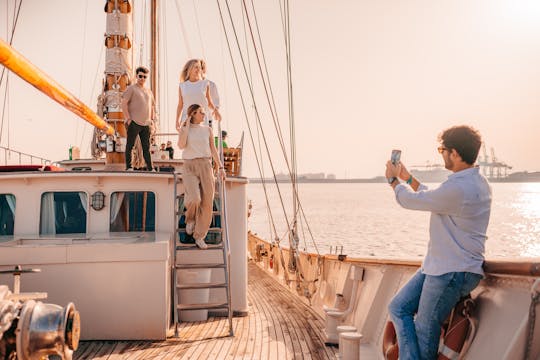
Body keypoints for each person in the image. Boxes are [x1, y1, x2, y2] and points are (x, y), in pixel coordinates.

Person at [385, 125, 491, 360]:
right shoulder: (474, 183)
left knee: (424, 332)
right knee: (398, 307)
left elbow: (411, 201)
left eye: (442, 149)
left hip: (451, 271)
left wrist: (393, 181)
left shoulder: (460, 188)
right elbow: (431, 197)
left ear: (454, 153)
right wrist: (408, 178)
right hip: (442, 266)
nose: (441, 153)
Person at [177, 104, 225, 249]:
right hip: (189, 165)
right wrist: (184, 128)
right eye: (201, 113)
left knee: (207, 203)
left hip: (206, 165)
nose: (204, 115)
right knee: (194, 198)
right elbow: (180, 145)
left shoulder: (207, 130)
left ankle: (200, 236)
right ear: (193, 114)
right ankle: (190, 219)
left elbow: (213, 150)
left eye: (204, 113)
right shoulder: (184, 128)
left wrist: (221, 166)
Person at [121, 66, 156, 171]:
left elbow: (152, 106)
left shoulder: (149, 91)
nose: (142, 78)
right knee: (130, 145)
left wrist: (152, 121)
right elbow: (123, 103)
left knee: (146, 147)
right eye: (140, 76)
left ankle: (150, 168)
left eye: (145, 77)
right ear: (136, 76)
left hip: (146, 124)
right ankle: (129, 167)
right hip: (134, 122)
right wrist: (128, 119)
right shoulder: (131, 89)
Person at [175, 59, 221, 131]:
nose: (198, 69)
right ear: (189, 69)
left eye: (199, 67)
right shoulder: (182, 86)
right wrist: (177, 121)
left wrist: (216, 111)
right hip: (186, 120)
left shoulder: (205, 84)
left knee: (202, 141)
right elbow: (180, 105)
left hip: (202, 121)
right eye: (196, 67)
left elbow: (209, 102)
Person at [200, 59, 221, 128]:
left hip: (207, 119)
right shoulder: (189, 85)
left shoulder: (211, 85)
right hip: (192, 121)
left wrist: (216, 111)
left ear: (203, 70)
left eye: (200, 68)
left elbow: (216, 101)